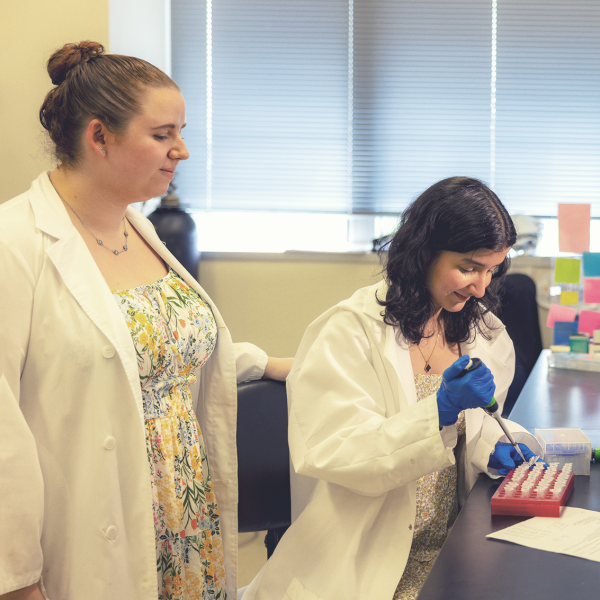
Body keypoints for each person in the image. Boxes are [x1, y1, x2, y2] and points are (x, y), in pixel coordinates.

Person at [0, 42, 292, 600]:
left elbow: (150, 345)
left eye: (181, 131)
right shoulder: (14, 243)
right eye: (162, 134)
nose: (181, 150)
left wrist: (265, 363)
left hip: (186, 525)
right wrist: (15, 580)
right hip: (93, 529)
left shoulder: (138, 226)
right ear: (99, 136)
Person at [241, 177, 544, 600]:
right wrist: (436, 410)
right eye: (469, 267)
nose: (480, 288)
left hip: (449, 548)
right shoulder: (348, 331)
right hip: (365, 557)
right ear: (424, 252)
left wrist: (492, 446)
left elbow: (470, 432)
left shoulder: (485, 332)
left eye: (492, 270)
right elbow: (337, 451)